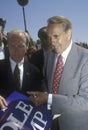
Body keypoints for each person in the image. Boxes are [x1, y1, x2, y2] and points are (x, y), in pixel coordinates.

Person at [27, 16, 88, 130]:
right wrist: (42, 94)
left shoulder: (85, 58)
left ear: (69, 33)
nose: (52, 42)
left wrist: (48, 98)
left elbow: (85, 101)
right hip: (50, 121)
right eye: (49, 37)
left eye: (56, 36)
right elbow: (46, 80)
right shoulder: (50, 55)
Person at [0, 29, 42, 98]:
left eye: (20, 46)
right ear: (8, 46)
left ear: (27, 46)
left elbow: (37, 96)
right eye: (13, 46)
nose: (16, 50)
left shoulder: (35, 71)